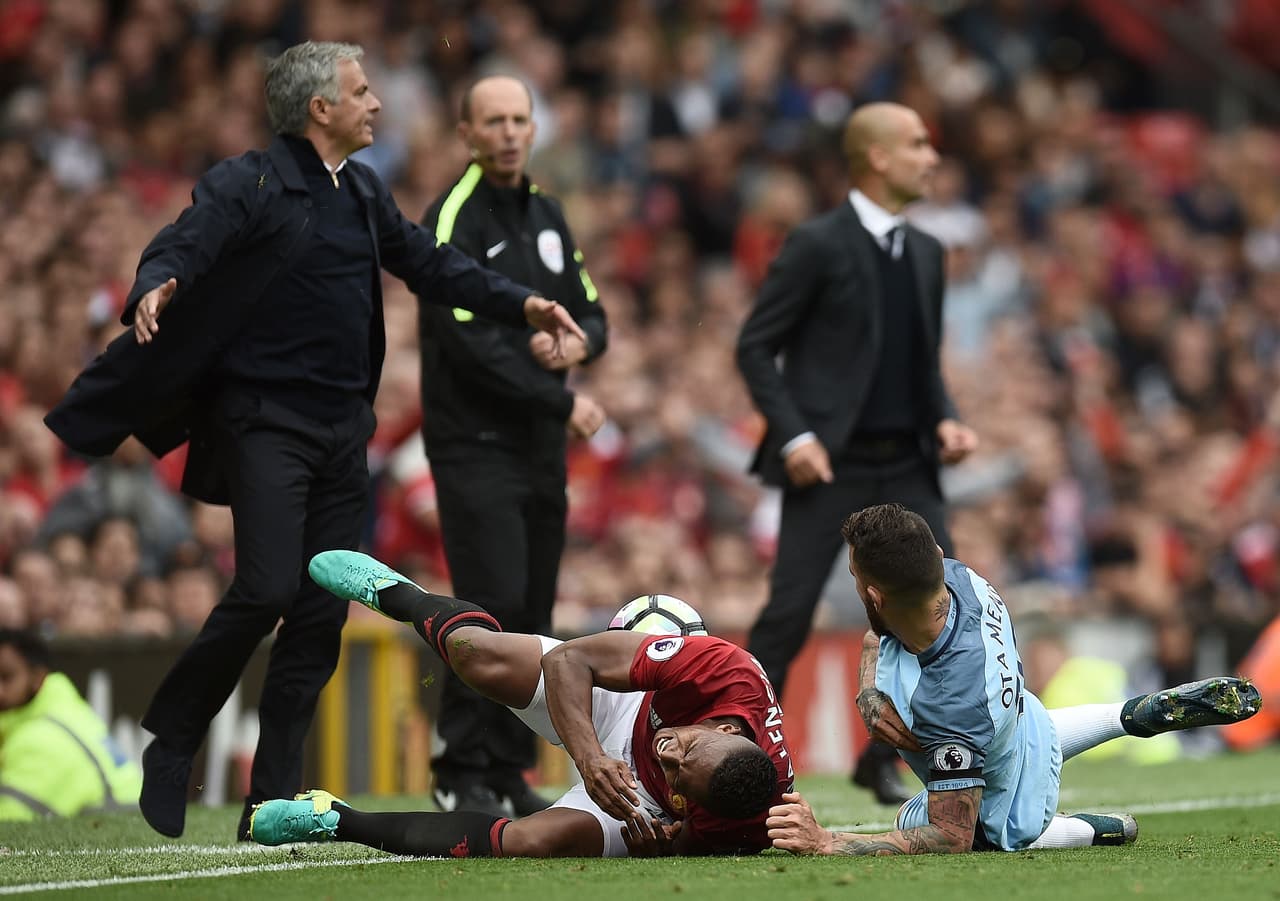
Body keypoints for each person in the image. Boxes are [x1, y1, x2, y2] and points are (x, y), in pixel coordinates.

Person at [43, 41, 586, 842]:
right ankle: (173, 737)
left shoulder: (361, 190)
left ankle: (272, 800)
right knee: (266, 588)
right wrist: (154, 280)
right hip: (266, 423)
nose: (377, 103)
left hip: (342, 434)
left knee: (321, 611)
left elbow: (432, 265)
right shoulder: (252, 180)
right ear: (320, 110)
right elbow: (187, 238)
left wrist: (525, 304)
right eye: (362, 92)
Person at [765, 504, 1263, 856]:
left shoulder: (949, 702)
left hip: (1006, 799)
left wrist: (827, 841)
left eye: (855, 579)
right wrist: (870, 692)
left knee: (915, 822)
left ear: (873, 596)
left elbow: (949, 837)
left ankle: (1084, 830)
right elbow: (881, 637)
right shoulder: (960, 579)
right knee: (1016, 731)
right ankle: (1129, 715)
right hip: (1028, 722)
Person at [735, 101, 979, 804]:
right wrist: (796, 435)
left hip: (908, 462)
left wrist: (948, 420)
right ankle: (736, 750)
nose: (931, 157)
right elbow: (754, 345)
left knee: (940, 604)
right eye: (917, 143)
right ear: (876, 156)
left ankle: (891, 755)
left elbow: (923, 364)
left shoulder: (928, 253)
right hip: (830, 462)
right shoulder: (816, 243)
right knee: (788, 610)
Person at [248, 549, 792, 857]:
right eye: (687, 747)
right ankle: (397, 593)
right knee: (476, 656)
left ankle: (333, 821)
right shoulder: (724, 669)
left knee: (528, 842)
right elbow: (567, 663)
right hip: (621, 703)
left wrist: (667, 841)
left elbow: (697, 840)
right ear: (729, 731)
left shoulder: (745, 821)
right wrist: (592, 760)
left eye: (678, 777)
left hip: (635, 801)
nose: (668, 750)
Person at [416, 75, 609, 817]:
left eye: (519, 119)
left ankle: (504, 765)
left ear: (536, 128)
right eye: (492, 120)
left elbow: (594, 314)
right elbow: (463, 339)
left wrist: (578, 347)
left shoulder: (551, 213)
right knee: (490, 600)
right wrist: (559, 398)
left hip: (536, 446)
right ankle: (457, 764)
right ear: (466, 132)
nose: (507, 133)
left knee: (531, 608)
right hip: (474, 442)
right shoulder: (453, 217)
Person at [0, 628, 142, 820]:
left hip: (117, 825)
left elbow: (11, 817)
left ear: (37, 677)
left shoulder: (40, 737)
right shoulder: (62, 710)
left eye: (6, 677)